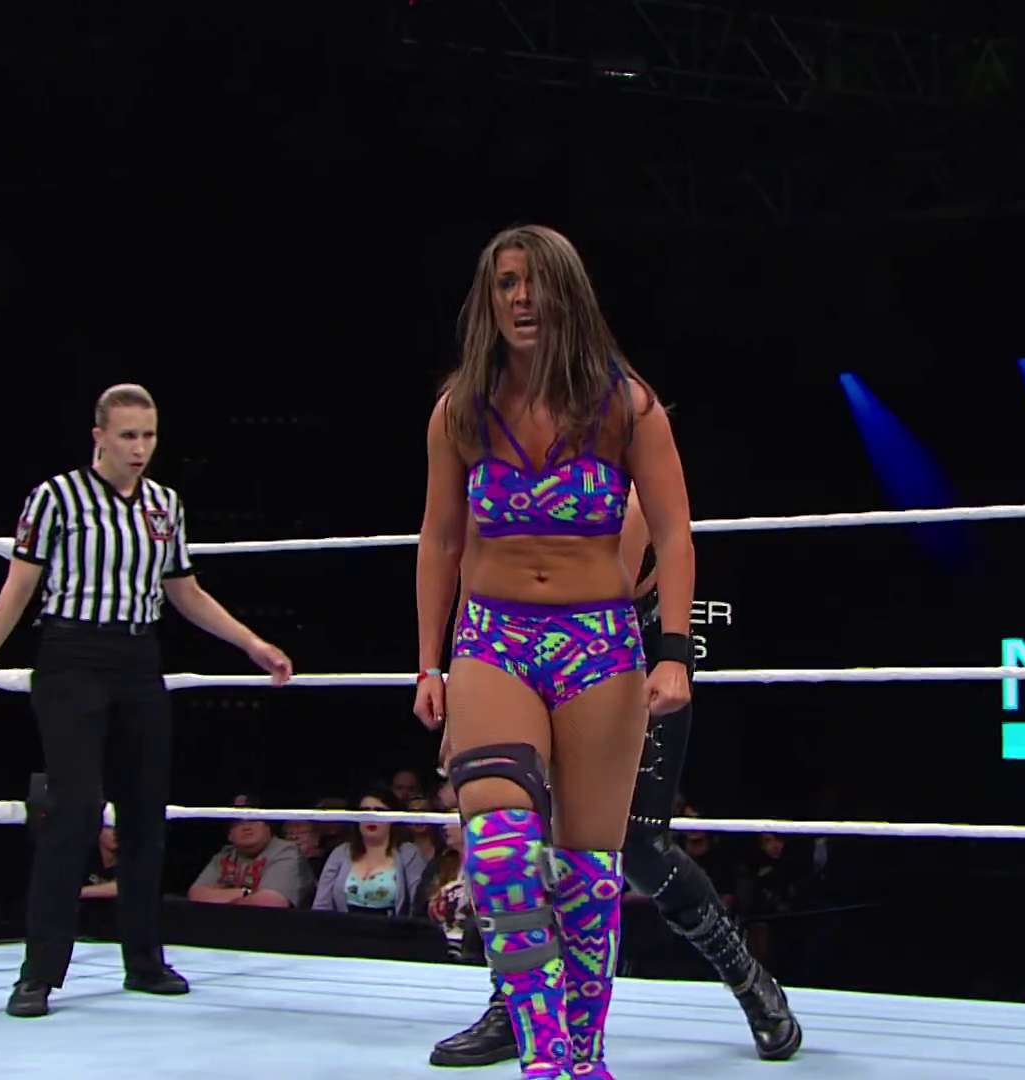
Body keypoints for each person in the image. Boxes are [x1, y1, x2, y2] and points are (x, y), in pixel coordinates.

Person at [414, 224, 694, 1079]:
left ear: (567, 293)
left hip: (598, 642)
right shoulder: (461, 410)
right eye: (505, 283)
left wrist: (673, 652)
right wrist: (428, 662)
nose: (521, 298)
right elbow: (439, 541)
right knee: (499, 853)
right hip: (493, 638)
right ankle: (543, 1052)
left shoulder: (625, 404)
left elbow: (674, 532)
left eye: (535, 282)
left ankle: (585, 1056)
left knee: (586, 870)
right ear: (488, 300)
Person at [0, 382, 293, 1019]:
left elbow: (185, 590)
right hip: (72, 656)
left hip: (138, 658)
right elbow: (18, 586)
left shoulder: (165, 504)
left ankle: (144, 960)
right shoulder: (56, 497)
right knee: (75, 810)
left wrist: (251, 643)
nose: (140, 448)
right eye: (128, 435)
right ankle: (38, 973)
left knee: (144, 816)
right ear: (99, 437)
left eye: (149, 435)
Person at [429, 490, 803, 1066]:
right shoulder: (500, 469)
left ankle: (749, 980)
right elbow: (474, 569)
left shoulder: (618, 481)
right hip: (511, 645)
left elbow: (605, 592)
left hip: (621, 648)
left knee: (637, 847)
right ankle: (514, 1004)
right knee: (509, 825)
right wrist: (463, 687)